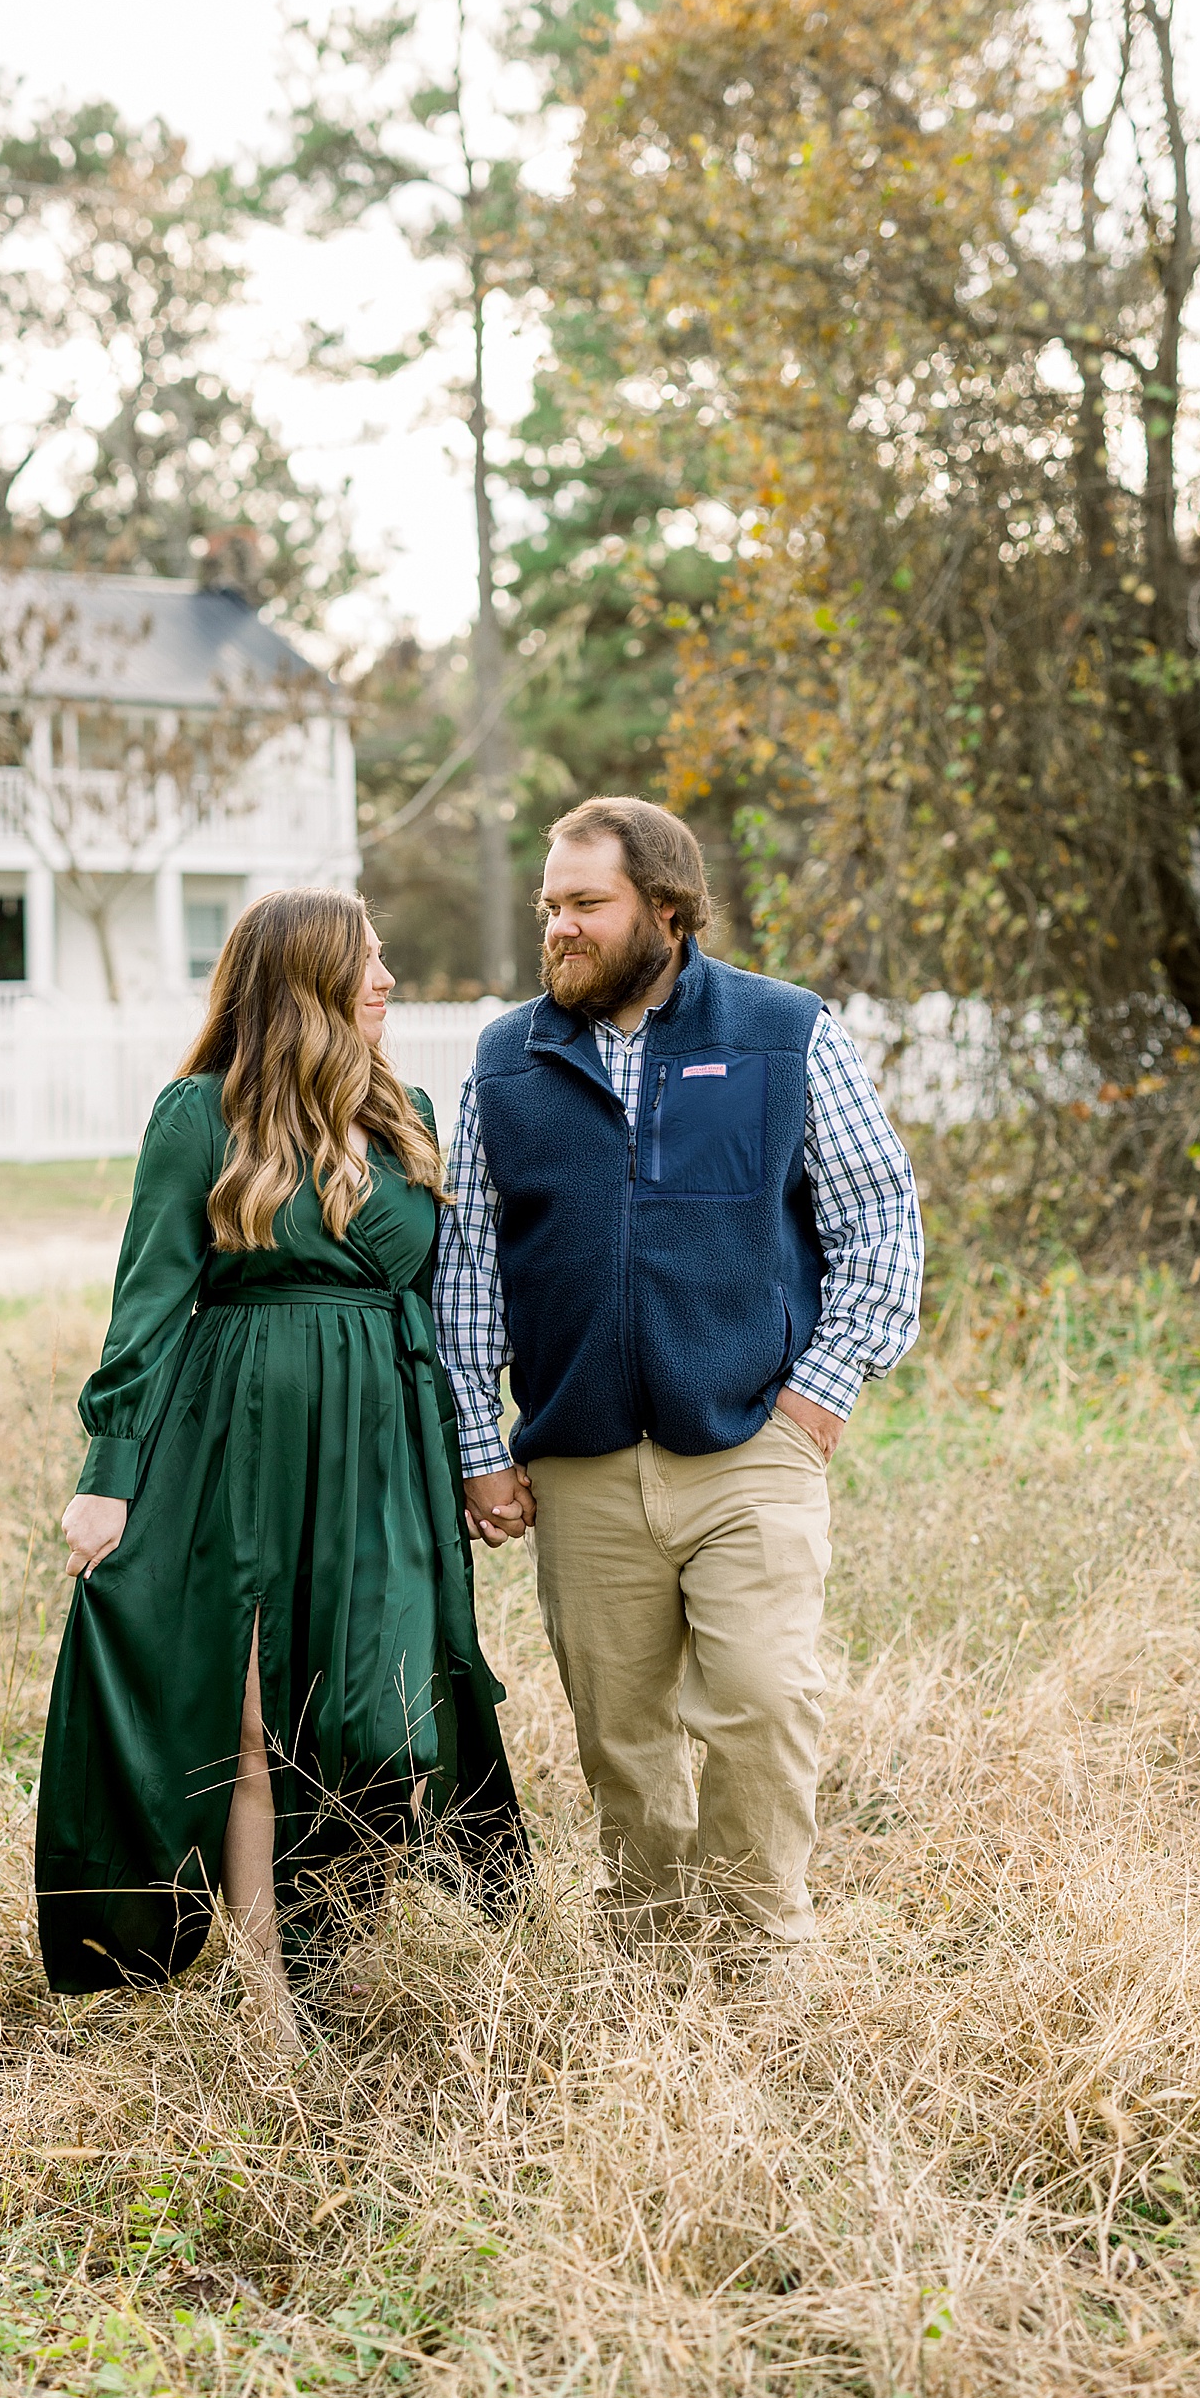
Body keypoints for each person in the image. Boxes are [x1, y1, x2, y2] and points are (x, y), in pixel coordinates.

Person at [36, 889, 526, 2052]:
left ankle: (328, 1939)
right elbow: (147, 1302)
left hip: (383, 1446)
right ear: (306, 978)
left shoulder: (398, 1117)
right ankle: (274, 2009)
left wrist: (470, 1449)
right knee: (261, 1724)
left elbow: (444, 1304)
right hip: (240, 1437)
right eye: (369, 961)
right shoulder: (199, 1116)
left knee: (383, 1718)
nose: (390, 980)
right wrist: (108, 1469)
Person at [433, 798, 923, 1951]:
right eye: (551, 903)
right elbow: (468, 1266)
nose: (560, 925)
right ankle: (651, 1947)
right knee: (621, 1732)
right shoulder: (510, 1059)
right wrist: (479, 1442)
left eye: (586, 903)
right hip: (581, 1461)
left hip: (753, 1437)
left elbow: (879, 1214)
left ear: (665, 908)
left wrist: (820, 1389)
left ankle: (759, 1943)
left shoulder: (781, 1029)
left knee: (761, 1699)